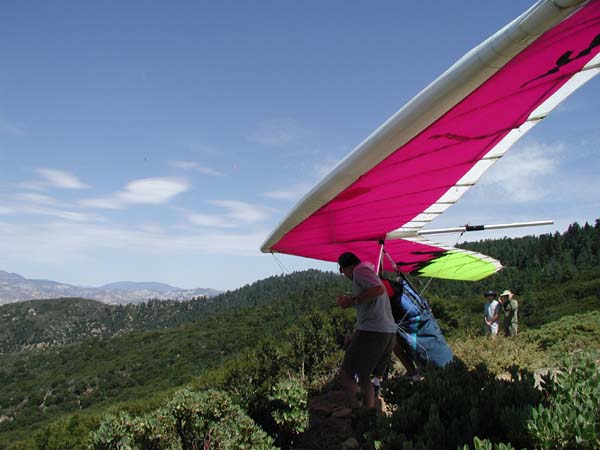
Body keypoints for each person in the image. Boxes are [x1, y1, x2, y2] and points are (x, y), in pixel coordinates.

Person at [336, 252, 397, 410]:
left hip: (373, 332)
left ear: (345, 267)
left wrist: (352, 301)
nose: (344, 275)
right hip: (386, 332)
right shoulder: (367, 271)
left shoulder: (359, 272)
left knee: (346, 375)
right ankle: (368, 412)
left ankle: (358, 410)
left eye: (342, 271)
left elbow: (377, 290)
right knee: (364, 376)